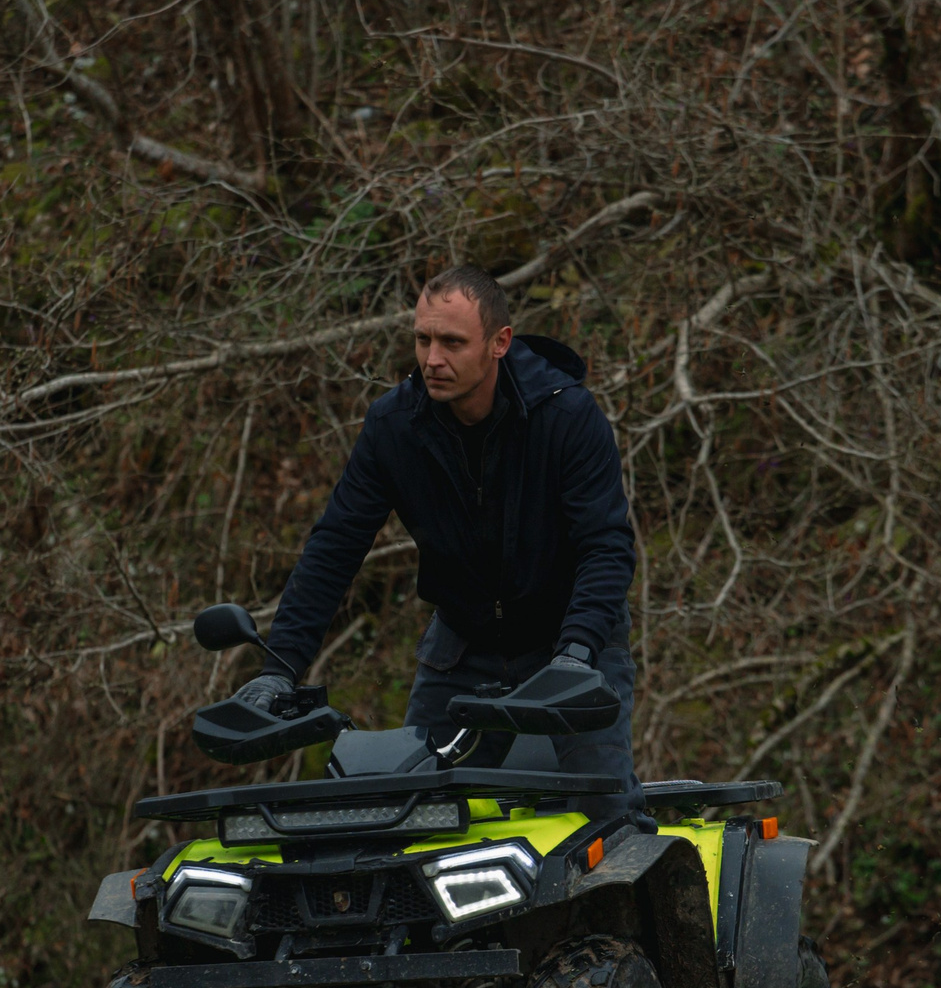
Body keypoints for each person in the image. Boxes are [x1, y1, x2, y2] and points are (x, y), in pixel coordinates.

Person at [227, 264, 648, 826]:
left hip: (571, 644)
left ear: (500, 343)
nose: (432, 359)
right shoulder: (393, 426)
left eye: (451, 342)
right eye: (422, 340)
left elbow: (607, 546)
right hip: (462, 649)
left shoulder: (567, 416)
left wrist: (576, 654)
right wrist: (279, 668)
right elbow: (334, 547)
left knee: (607, 817)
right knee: (401, 818)